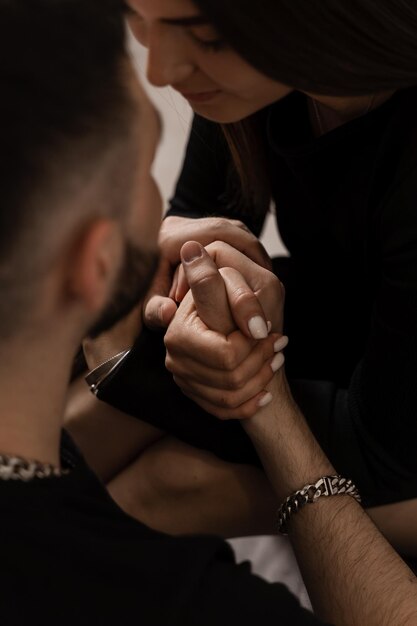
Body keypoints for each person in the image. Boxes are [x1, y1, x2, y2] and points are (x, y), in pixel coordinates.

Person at [2, 1, 417, 624]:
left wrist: (224, 383)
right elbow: (198, 225)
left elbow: (387, 450)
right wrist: (200, 303)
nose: (161, 70)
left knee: (166, 484)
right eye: (138, 19)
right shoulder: (252, 82)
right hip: (348, 336)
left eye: (206, 36)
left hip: (397, 437)